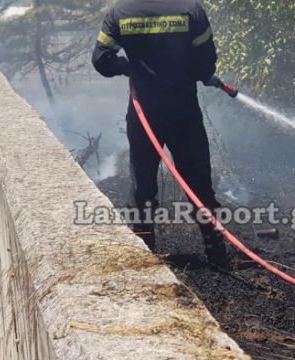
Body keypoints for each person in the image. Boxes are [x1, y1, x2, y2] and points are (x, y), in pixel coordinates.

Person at [92, 0, 229, 268]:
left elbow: (101, 60)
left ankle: (144, 249)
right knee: (198, 183)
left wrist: (131, 68)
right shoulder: (191, 9)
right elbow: (206, 64)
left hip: (144, 114)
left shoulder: (121, 12)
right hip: (184, 113)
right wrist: (195, 72)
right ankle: (216, 252)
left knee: (143, 185)